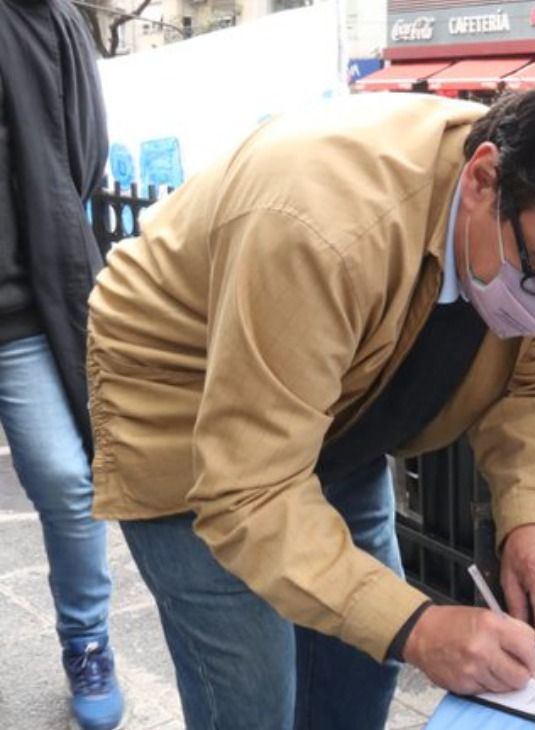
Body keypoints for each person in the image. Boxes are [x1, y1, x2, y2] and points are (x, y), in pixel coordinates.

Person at [87, 78, 535, 728]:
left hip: (347, 408)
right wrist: (419, 627)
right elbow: (249, 490)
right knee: (252, 690)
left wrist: (533, 527)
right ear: (482, 181)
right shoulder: (319, 228)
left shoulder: (531, 222)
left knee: (362, 664)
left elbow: (529, 385)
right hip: (184, 410)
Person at [0, 2, 125, 728]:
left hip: (18, 309)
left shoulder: (47, 18)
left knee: (65, 476)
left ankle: (87, 642)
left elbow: (82, 154)